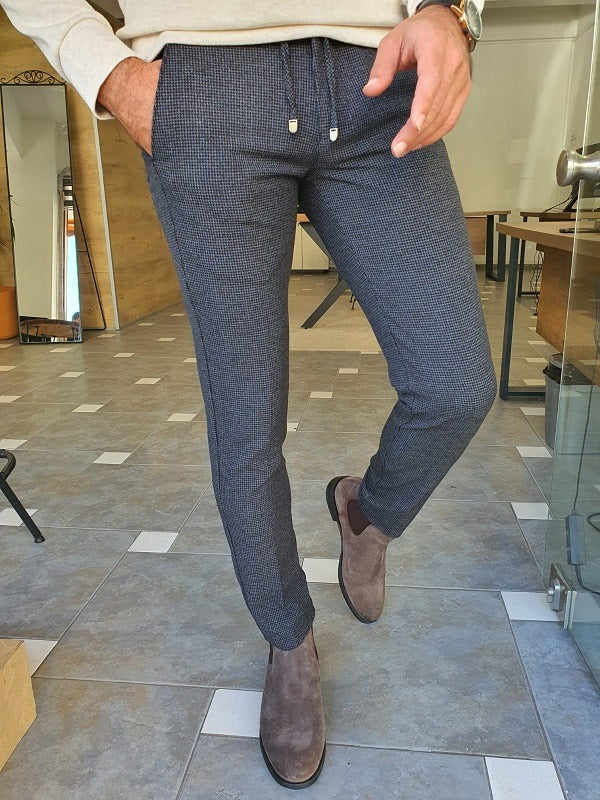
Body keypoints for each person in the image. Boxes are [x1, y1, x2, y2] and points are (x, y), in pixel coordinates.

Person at [1, 0, 493, 789]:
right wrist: (110, 74)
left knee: (456, 384)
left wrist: (452, 11)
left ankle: (366, 513)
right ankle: (289, 641)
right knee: (247, 429)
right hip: (207, 90)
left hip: (376, 80)